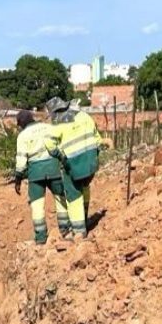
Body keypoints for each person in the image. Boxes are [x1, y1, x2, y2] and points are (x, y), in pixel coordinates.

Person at [44, 97, 101, 238]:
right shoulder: (84, 116)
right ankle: (85, 218)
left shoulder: (58, 124)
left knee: (74, 195)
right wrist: (93, 156)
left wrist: (61, 157)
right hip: (91, 163)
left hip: (73, 165)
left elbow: (49, 145)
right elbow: (98, 139)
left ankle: (79, 231)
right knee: (85, 187)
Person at [13, 110, 71, 244]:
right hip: (53, 169)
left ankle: (41, 238)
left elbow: (21, 159)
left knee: (37, 205)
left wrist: (18, 179)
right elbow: (60, 146)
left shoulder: (22, 136)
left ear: (21, 123)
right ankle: (65, 231)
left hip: (35, 173)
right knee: (61, 199)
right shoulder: (48, 127)